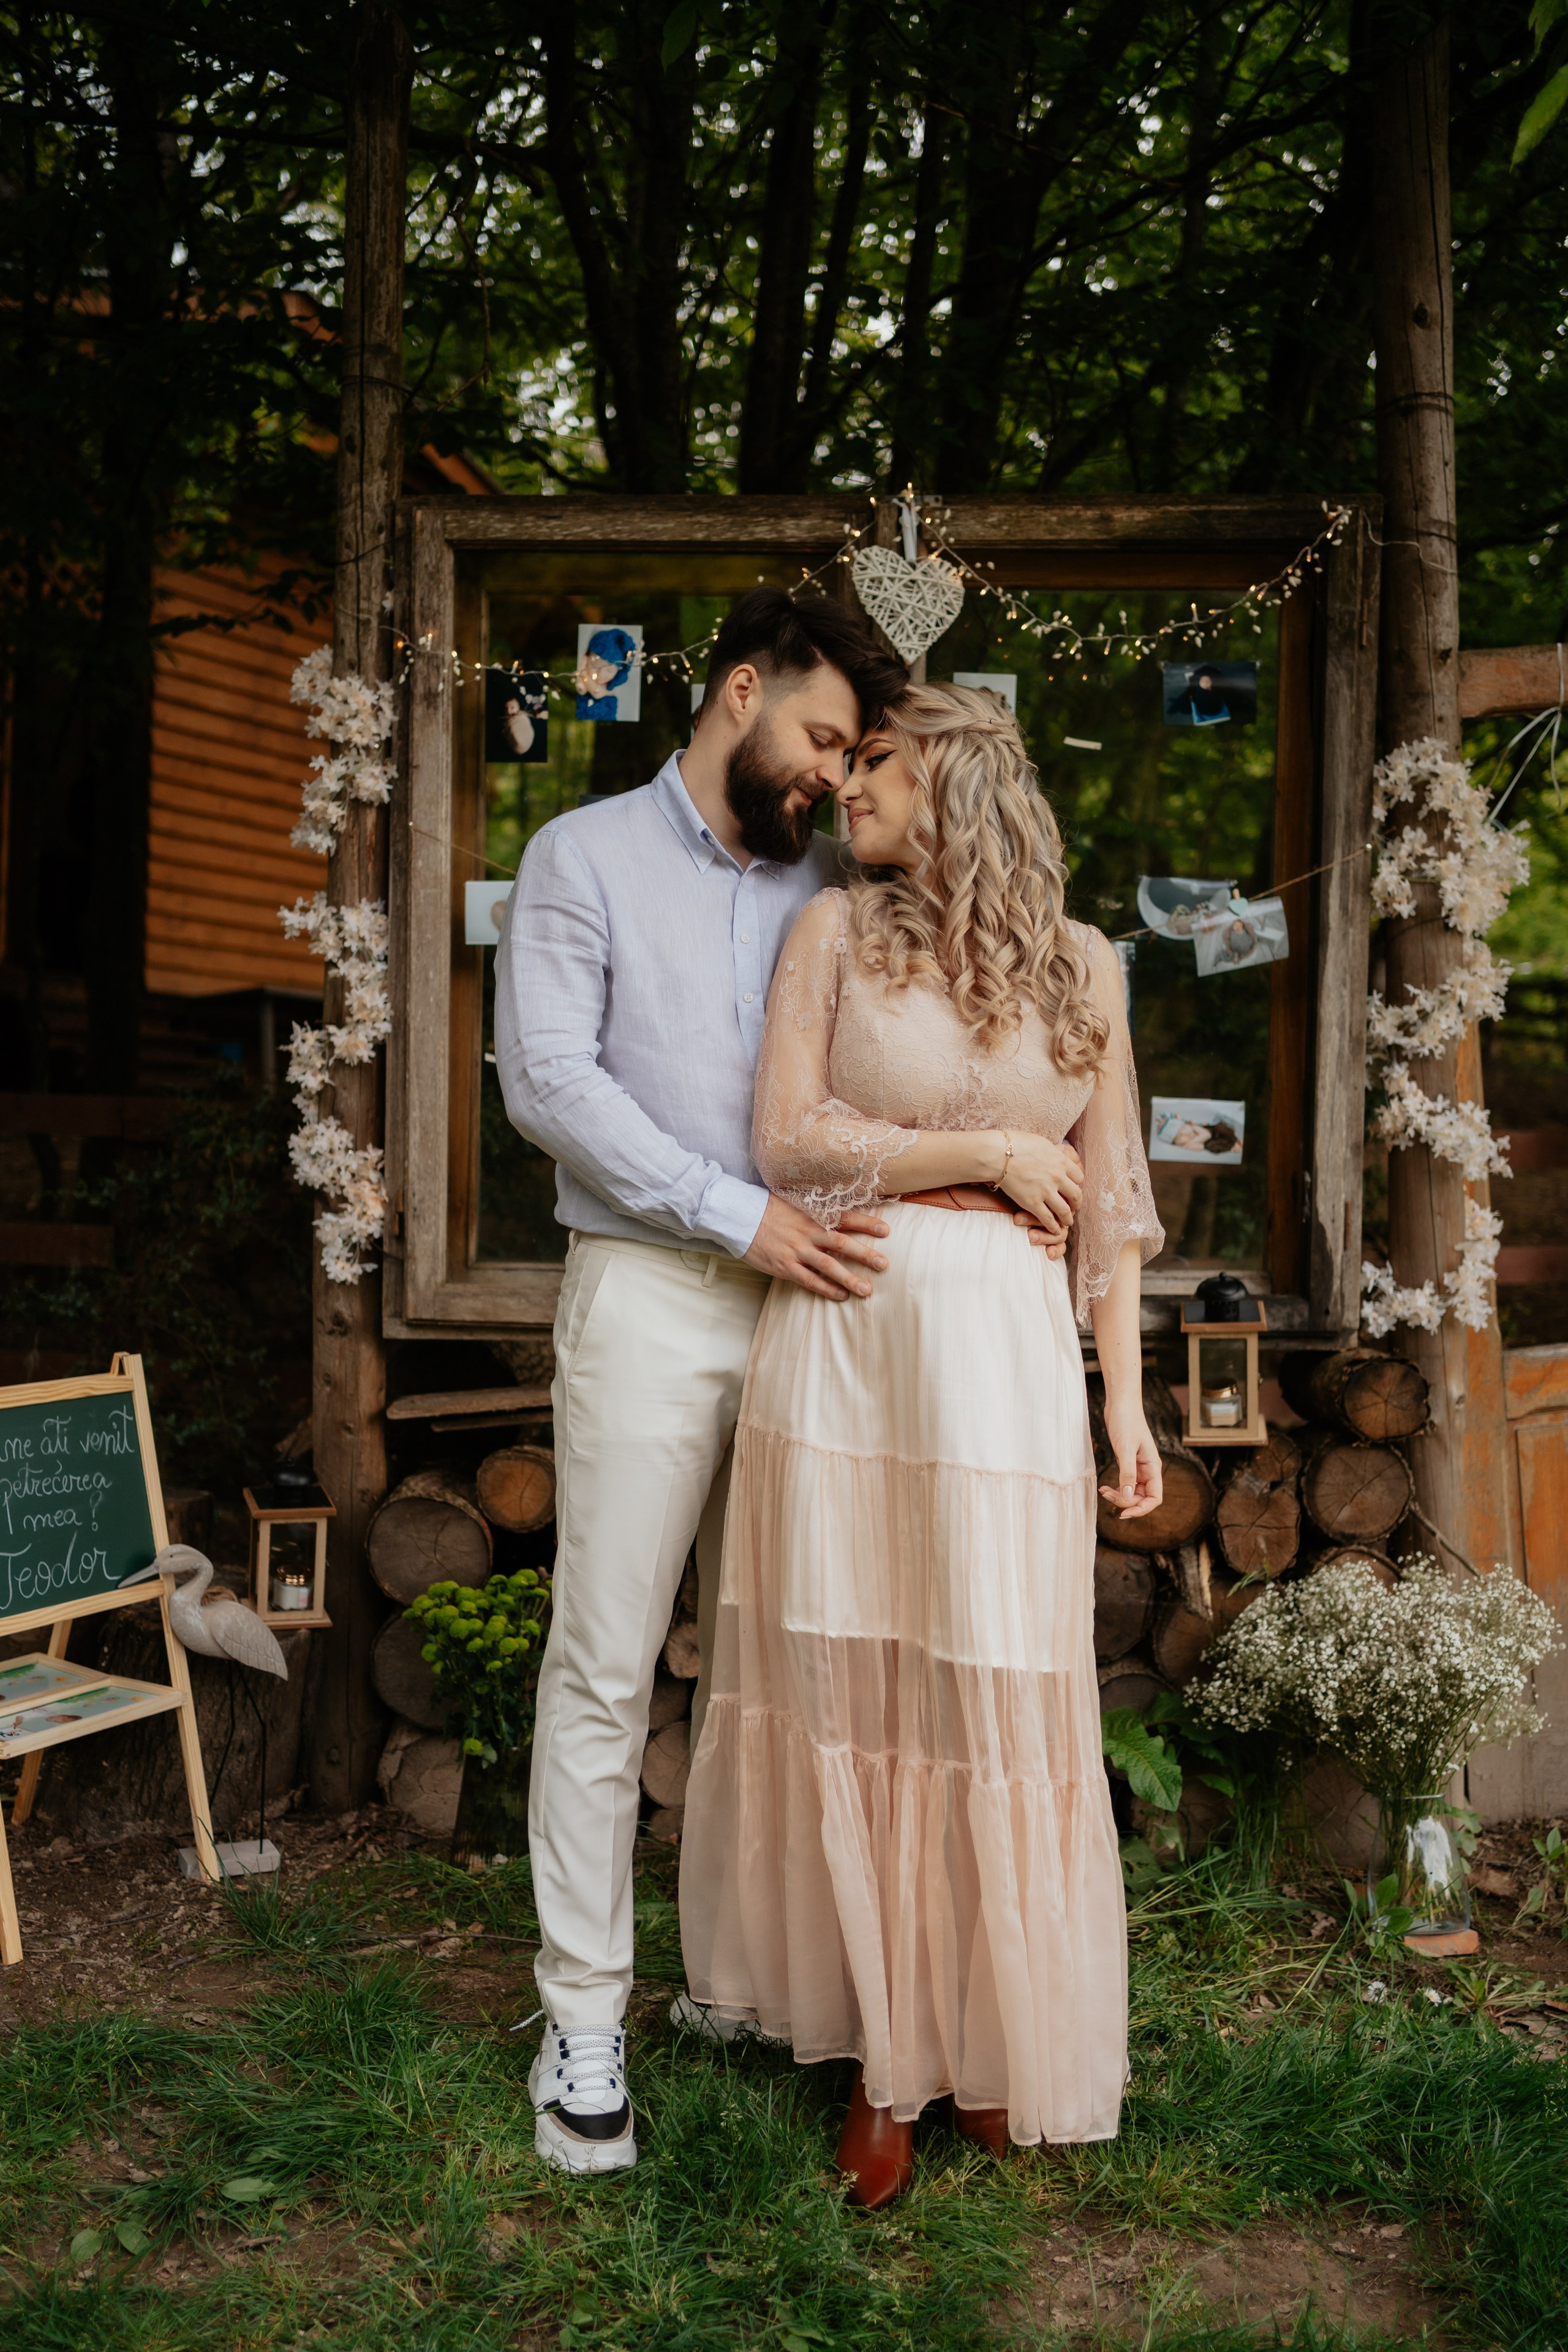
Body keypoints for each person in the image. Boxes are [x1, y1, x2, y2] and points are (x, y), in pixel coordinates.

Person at [679, 681, 1166, 2207]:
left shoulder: (1085, 967)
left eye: (871, 764)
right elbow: (788, 1140)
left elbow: (1118, 1219)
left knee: (989, 1687)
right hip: (850, 1338)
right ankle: (877, 2057)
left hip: (1003, 1363)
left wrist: (1127, 1400)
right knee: (853, 1677)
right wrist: (989, 1153)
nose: (843, 790)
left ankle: (981, 2038)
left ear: (951, 778)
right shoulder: (831, 932)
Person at [492, 588, 909, 2175]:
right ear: (741, 689)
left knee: (778, 1666)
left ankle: (740, 1981)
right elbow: (549, 1083)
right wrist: (741, 1214)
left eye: (852, 756)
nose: (828, 777)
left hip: (821, 1319)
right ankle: (584, 2020)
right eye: (818, 737)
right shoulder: (579, 859)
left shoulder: (833, 885)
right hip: (656, 1298)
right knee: (606, 1667)